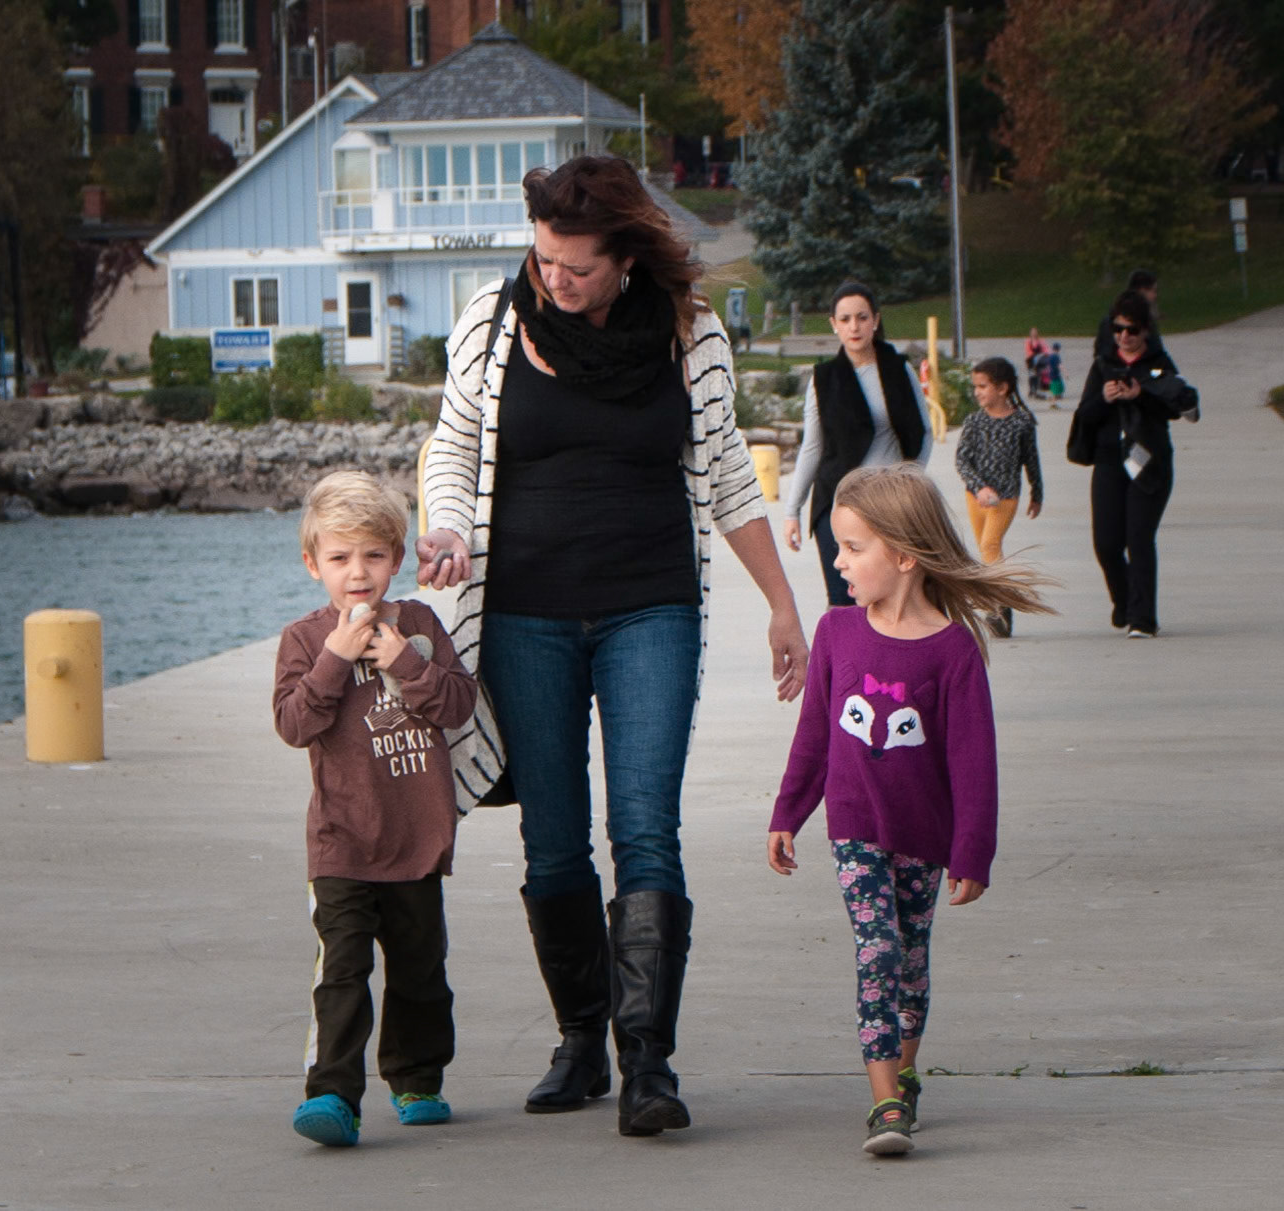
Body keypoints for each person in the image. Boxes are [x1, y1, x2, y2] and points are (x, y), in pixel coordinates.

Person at [417, 155, 809, 1138]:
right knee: (551, 834)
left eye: (575, 265)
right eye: (544, 257)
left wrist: (782, 603)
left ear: (626, 256)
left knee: (644, 824)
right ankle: (581, 1036)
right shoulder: (492, 321)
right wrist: (452, 526)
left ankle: (648, 1059)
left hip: (652, 606)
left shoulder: (690, 334)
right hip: (522, 613)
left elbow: (726, 475)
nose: (554, 277)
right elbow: (453, 444)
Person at [767, 463, 1053, 1155]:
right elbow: (812, 736)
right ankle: (884, 1101)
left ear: (902, 554)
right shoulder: (836, 632)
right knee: (878, 949)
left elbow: (972, 763)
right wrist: (786, 811)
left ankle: (907, 1069)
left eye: (852, 547)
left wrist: (972, 850)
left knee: (912, 960)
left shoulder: (952, 650)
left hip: (925, 834)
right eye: (837, 546)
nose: (838, 562)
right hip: (855, 827)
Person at [273, 471, 480, 1148]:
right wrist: (335, 656)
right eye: (338, 557)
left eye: (371, 555)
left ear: (395, 558)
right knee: (342, 969)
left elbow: (456, 705)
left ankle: (416, 1076)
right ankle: (332, 1092)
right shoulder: (304, 640)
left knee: (420, 969)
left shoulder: (418, 624)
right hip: (342, 840)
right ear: (313, 565)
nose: (356, 572)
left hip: (415, 835)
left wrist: (403, 662)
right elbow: (294, 723)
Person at [783, 281, 934, 607]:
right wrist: (792, 510)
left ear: (876, 320)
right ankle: (842, 660)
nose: (855, 326)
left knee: (895, 601)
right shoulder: (823, 379)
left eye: (862, 317)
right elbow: (812, 447)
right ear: (834, 325)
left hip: (891, 507)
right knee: (844, 603)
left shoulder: (898, 369)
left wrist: (909, 483)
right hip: (840, 507)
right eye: (846, 319)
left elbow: (924, 432)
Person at [1067, 292, 1199, 638]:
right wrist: (1105, 398)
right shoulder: (1103, 365)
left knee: (1139, 538)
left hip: (1149, 461)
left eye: (1132, 330)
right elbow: (1085, 415)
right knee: (1107, 543)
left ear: (1145, 331)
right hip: (1110, 460)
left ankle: (1143, 619)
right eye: (1118, 328)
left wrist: (1142, 394)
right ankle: (1124, 601)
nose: (1124, 336)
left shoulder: (1158, 364)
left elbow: (1178, 409)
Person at [955, 357, 1043, 637]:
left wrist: (1037, 492)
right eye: (975, 387)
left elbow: (1031, 459)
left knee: (991, 544)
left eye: (983, 386)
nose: (978, 392)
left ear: (1003, 388)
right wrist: (979, 487)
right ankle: (1000, 604)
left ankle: (998, 606)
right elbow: (962, 461)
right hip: (976, 497)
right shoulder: (974, 422)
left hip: (1006, 497)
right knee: (984, 549)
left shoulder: (1021, 422)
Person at [1093, 270, 1163, 360]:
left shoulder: (1108, 320)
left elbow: (1099, 352)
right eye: (1153, 291)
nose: (1155, 296)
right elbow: (1156, 352)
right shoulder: (1145, 322)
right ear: (1142, 291)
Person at [1022, 327, 1047, 400]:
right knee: (1032, 376)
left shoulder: (1040, 341)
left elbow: (1045, 349)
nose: (1034, 333)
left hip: (1038, 361)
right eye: (1033, 332)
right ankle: (1031, 390)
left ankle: (1036, 391)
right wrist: (1035, 355)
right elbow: (1028, 351)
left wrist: (1045, 354)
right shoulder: (1028, 342)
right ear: (1030, 333)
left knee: (1038, 376)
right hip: (1031, 361)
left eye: (1035, 332)